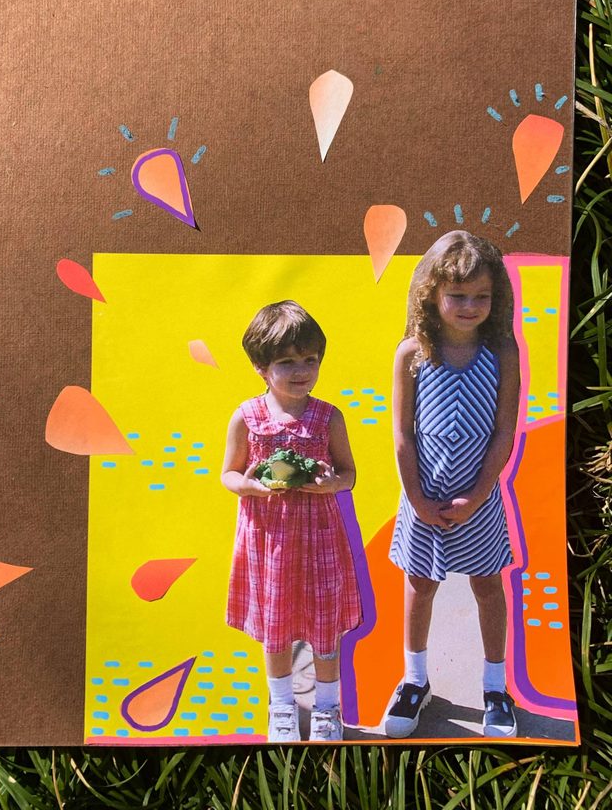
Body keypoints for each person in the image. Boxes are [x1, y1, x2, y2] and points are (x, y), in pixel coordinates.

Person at [384, 230, 520, 738]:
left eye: (481, 295)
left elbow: (504, 432)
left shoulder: (502, 352)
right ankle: (415, 680)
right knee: (420, 585)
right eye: (458, 295)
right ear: (432, 293)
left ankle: (495, 688)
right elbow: (402, 435)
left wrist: (478, 496)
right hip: (422, 498)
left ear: (496, 296)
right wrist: (418, 499)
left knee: (488, 586)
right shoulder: (412, 354)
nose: (470, 306)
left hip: (479, 500)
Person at [222, 300, 362, 742]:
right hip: (269, 539)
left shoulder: (328, 416)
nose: (302, 371)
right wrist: (249, 486)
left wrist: (331, 484)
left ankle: (327, 707)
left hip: (320, 536)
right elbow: (228, 474)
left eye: (310, 360)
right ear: (261, 367)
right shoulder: (246, 417)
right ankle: (282, 705)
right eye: (287, 362)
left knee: (325, 626)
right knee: (276, 627)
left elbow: (349, 473)